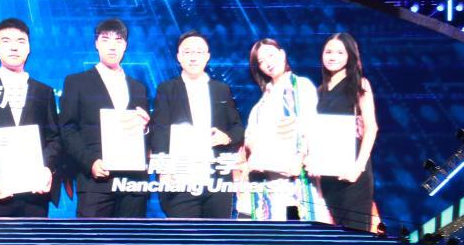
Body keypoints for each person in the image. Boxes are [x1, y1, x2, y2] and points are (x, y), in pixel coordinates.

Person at [0, 18, 62, 217]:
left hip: (35, 196)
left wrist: (46, 169)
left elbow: (54, 138)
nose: (14, 47)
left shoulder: (44, 91)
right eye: (6, 41)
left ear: (29, 48)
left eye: (20, 41)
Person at [58, 19, 151, 217]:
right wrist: (90, 162)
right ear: (96, 43)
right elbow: (67, 129)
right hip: (95, 181)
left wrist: (145, 129)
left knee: (132, 236)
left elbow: (146, 134)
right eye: (106, 39)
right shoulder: (76, 82)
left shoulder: (139, 87)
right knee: (92, 237)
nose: (112, 46)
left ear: (125, 45)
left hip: (133, 183)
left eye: (118, 40)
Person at [150, 30, 244, 218]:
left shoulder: (221, 90)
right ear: (178, 57)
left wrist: (226, 137)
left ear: (207, 56)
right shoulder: (167, 89)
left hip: (217, 180)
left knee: (217, 235)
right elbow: (160, 132)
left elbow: (238, 129)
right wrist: (163, 172)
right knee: (184, 235)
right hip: (179, 179)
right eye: (187, 52)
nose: (193, 57)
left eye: (199, 52)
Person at [240, 38, 328, 222]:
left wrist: (300, 156)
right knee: (274, 232)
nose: (268, 63)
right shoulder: (262, 102)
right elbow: (250, 136)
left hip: (296, 176)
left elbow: (309, 125)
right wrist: (253, 150)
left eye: (271, 55)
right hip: (268, 179)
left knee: (302, 229)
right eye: (261, 61)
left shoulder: (301, 86)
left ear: (282, 54)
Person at [315, 33, 378, 231]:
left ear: (350, 55)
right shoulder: (319, 91)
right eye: (328, 52)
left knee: (357, 236)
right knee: (335, 235)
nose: (332, 57)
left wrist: (357, 168)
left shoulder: (360, 84)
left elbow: (371, 128)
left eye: (340, 52)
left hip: (353, 173)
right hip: (327, 174)